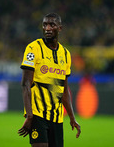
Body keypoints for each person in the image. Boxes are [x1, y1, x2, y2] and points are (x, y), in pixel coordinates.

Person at [18, 13, 81, 147]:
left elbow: (63, 91)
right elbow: (25, 84)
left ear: (60, 28)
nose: (47, 28)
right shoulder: (33, 48)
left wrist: (72, 117)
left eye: (51, 24)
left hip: (57, 118)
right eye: (45, 24)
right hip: (38, 115)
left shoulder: (66, 54)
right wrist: (29, 116)